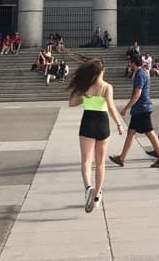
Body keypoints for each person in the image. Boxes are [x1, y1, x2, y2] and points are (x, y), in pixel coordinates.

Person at [69, 58, 124, 213]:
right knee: (100, 163)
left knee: (86, 161)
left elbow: (71, 102)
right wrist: (119, 124)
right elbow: (111, 107)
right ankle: (97, 195)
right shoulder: (107, 87)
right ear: (103, 71)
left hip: (88, 121)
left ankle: (88, 188)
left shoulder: (85, 86)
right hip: (102, 122)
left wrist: (84, 97)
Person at [109, 54, 159, 169]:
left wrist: (126, 108)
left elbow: (137, 94)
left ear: (133, 63)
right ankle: (121, 158)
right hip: (140, 109)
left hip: (142, 108)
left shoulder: (140, 74)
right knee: (131, 133)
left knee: (150, 133)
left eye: (130, 63)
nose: (129, 65)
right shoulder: (143, 72)